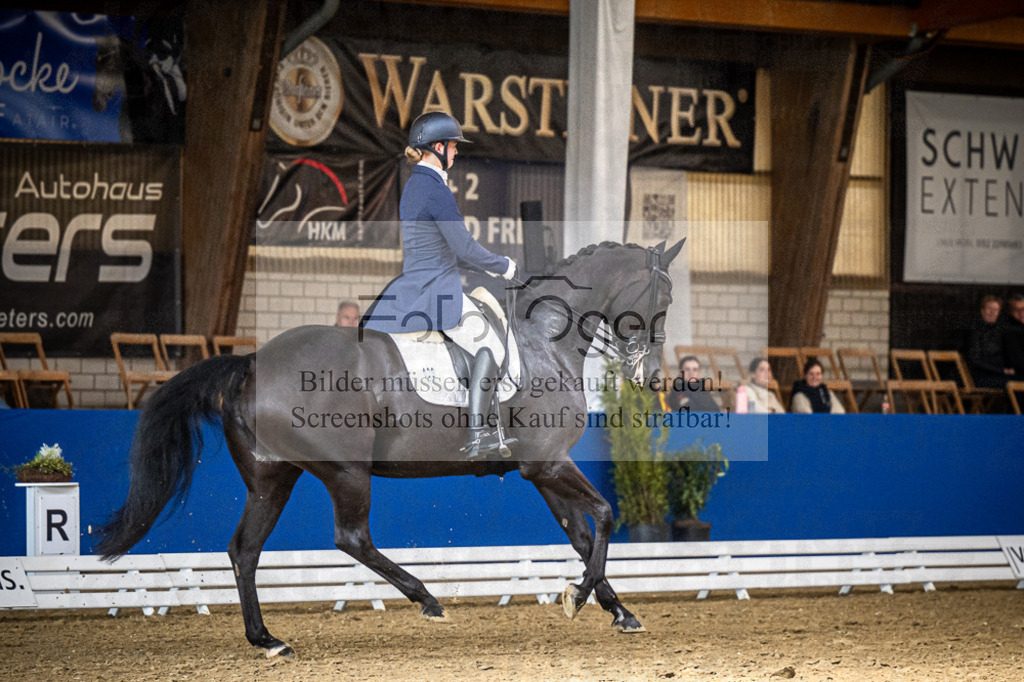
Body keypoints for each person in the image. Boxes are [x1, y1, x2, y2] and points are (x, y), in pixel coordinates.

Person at [362, 112, 517, 459]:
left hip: (409, 286)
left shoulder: (414, 184)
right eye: (453, 146)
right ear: (437, 147)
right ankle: (480, 436)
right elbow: (464, 248)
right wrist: (503, 266)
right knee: (490, 347)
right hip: (438, 291)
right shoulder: (435, 190)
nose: (457, 153)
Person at [962, 295, 1015, 388]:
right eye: (989, 309)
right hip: (979, 377)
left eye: (995, 310)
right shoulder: (974, 331)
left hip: (996, 375)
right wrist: (1002, 371)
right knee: (1015, 383)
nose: (992, 313)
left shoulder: (999, 332)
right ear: (982, 311)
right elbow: (974, 361)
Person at [1003, 293, 1024, 377]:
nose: (1021, 313)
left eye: (1023, 309)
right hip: (1016, 375)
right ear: (1010, 312)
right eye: (1017, 310)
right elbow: (1018, 362)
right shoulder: (1009, 330)